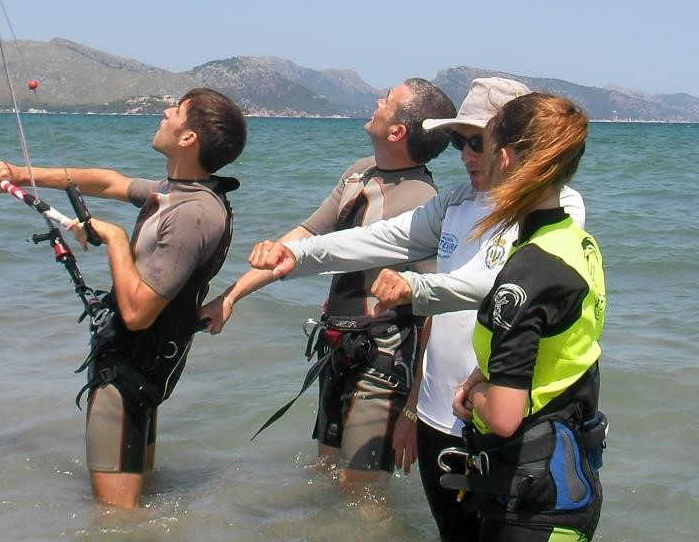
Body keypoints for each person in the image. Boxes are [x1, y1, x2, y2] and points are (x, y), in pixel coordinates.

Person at [247, 77, 585, 540]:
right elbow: (381, 238)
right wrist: (300, 256)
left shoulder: (560, 208)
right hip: (435, 416)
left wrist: (417, 288)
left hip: (504, 419)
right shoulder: (455, 202)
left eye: (476, 140)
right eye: (456, 140)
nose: (464, 153)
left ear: (512, 147)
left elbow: (502, 285)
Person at [0, 87, 247, 509]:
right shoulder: (177, 192)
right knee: (138, 505)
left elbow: (137, 313)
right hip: (141, 368)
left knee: (115, 521)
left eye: (175, 111)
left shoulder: (193, 213)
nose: (165, 113)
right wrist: (18, 172)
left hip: (130, 370)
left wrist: (115, 237)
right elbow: (109, 181)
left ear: (189, 138)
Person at [201, 78, 456, 500]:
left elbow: (435, 310)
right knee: (327, 483)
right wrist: (229, 297)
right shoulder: (358, 172)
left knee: (362, 499)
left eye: (387, 101)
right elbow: (306, 237)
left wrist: (413, 407)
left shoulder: (423, 201)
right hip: (337, 347)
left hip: (383, 361)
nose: (376, 101)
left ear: (398, 132)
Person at [449, 93, 605, 541]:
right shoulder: (578, 244)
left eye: (481, 146)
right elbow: (564, 344)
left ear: (503, 157)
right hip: (570, 475)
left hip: (532, 503)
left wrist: (472, 396)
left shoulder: (531, 268)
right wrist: (489, 371)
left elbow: (503, 417)